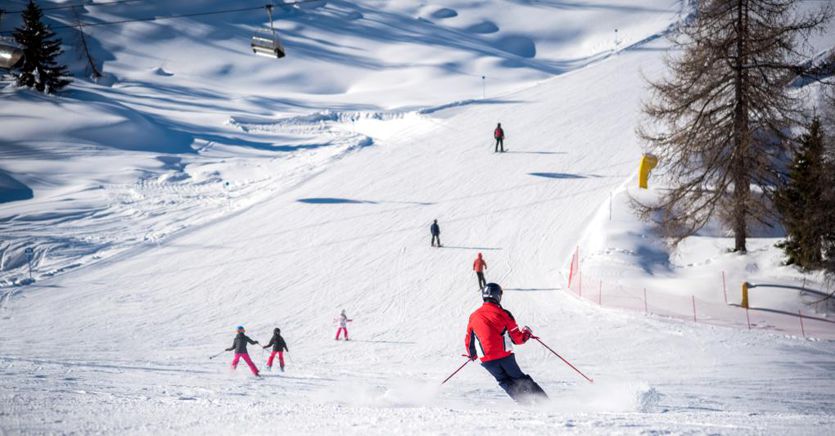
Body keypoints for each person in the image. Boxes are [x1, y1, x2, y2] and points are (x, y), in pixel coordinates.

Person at [465, 283, 547, 404]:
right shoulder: (504, 314)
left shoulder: (474, 315)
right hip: (504, 356)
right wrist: (527, 333)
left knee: (504, 381)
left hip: (486, 359)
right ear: (498, 296)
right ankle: (544, 402)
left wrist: (472, 354)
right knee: (520, 379)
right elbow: (517, 339)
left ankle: (525, 403)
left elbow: (469, 339)